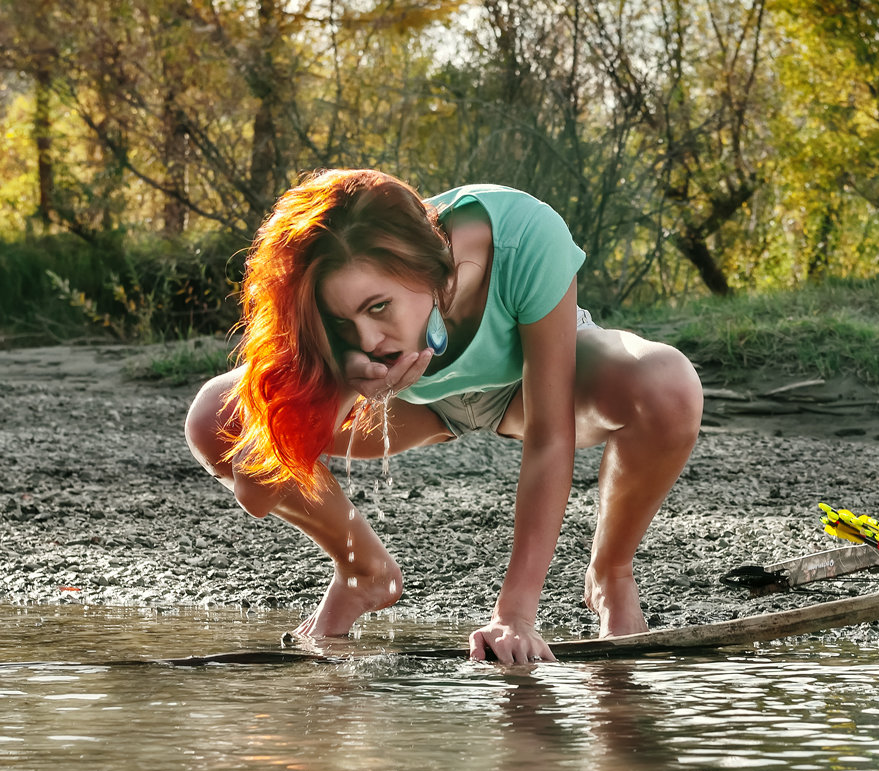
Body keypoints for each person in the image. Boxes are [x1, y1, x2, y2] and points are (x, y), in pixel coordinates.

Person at [184, 169, 703, 664]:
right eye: (345, 322)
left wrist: (514, 615)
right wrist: (349, 389)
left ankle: (611, 574)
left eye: (379, 307)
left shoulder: (525, 235)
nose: (367, 339)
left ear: (424, 268)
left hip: (526, 387)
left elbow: (549, 438)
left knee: (667, 385)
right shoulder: (351, 332)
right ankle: (364, 573)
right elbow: (256, 489)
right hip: (414, 407)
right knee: (215, 416)